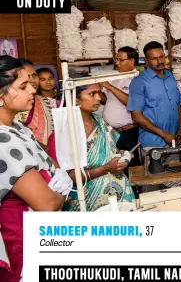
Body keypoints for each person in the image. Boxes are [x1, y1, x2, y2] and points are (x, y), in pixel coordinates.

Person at [0, 56, 71, 282]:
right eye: (22, 86)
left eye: (31, 83)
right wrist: (62, 192)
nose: (32, 90)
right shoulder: (3, 140)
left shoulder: (19, 128)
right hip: (23, 243)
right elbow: (47, 204)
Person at [48, 75, 135, 211]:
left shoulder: (99, 121)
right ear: (75, 99)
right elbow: (69, 177)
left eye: (99, 92)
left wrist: (122, 155)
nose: (99, 98)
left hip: (117, 195)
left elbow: (110, 149)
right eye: (92, 94)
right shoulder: (66, 130)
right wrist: (106, 168)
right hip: (86, 202)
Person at [127, 41, 181, 148]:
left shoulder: (170, 76)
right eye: (154, 59)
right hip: (153, 143)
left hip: (174, 139)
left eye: (161, 57)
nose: (160, 61)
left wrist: (180, 130)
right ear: (147, 61)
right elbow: (136, 116)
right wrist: (164, 135)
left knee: (177, 164)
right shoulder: (139, 82)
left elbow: (177, 104)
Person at [100, 46, 140, 166]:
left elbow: (131, 103)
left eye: (120, 60)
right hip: (113, 132)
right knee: (115, 165)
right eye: (116, 59)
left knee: (130, 165)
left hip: (128, 133)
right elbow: (104, 100)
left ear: (131, 61)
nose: (116, 63)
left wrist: (110, 87)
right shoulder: (115, 77)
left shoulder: (137, 79)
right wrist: (97, 90)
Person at [15, 60, 59, 148]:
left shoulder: (49, 102)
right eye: (27, 76)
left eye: (34, 75)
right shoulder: (13, 106)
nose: (32, 80)